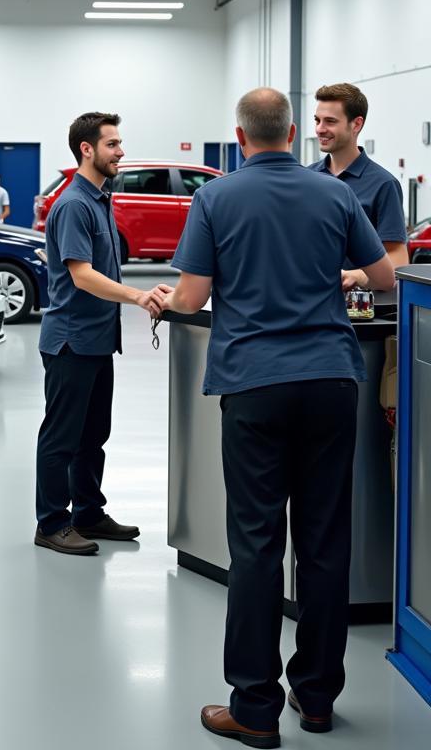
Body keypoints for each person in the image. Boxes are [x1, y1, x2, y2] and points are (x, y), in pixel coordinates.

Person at [162, 88, 395, 747]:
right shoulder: (336, 194)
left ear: (240, 138)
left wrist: (166, 296)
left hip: (255, 385)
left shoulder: (216, 198)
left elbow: (193, 294)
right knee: (324, 543)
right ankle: (317, 699)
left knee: (257, 546)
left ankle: (256, 709)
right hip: (329, 381)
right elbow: (382, 275)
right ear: (293, 131)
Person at [34, 112, 171, 556]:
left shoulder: (100, 200)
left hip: (96, 340)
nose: (121, 151)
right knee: (61, 437)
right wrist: (137, 296)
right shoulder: (74, 204)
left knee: (94, 435)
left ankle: (88, 512)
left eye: (119, 142)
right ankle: (51, 523)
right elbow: (82, 276)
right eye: (112, 144)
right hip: (71, 340)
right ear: (87, 150)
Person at [309, 82, 409, 289]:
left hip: (357, 310)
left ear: (356, 125)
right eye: (317, 120)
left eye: (330, 121)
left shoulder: (383, 184)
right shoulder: (307, 177)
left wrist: (356, 276)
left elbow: (398, 259)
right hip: (308, 303)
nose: (320, 129)